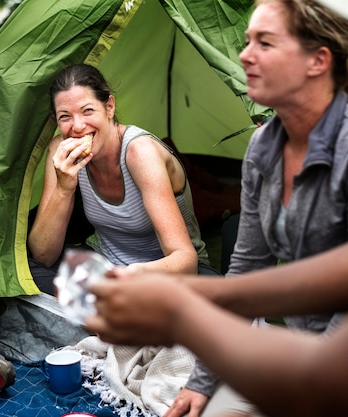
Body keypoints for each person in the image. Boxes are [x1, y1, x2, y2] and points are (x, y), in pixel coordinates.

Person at [148, 1, 348, 416]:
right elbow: (246, 268)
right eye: (245, 41)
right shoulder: (266, 147)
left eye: (265, 42)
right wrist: (202, 381)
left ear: (318, 60)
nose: (243, 55)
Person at [84, 242, 348, 417]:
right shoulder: (264, 159)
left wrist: (176, 314)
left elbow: (326, 383)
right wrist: (172, 292)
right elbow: (249, 274)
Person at [27, 63, 216, 295]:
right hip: (105, 263)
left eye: (87, 111)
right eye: (65, 116)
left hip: (165, 274)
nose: (77, 126)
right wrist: (64, 189)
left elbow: (185, 261)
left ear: (109, 107)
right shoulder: (61, 151)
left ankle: (100, 312)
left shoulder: (140, 153)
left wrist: (127, 277)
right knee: (28, 272)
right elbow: (43, 254)